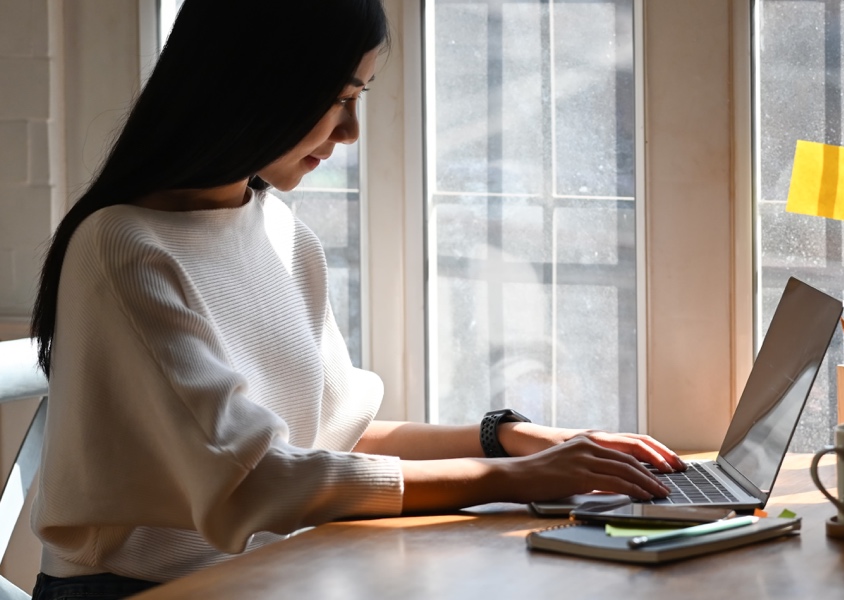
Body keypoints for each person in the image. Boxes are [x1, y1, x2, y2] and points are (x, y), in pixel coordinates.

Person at [27, 1, 682, 598]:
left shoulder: (281, 232)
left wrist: (509, 440)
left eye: (359, 96)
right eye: (338, 98)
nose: (351, 132)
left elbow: (335, 438)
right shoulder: (123, 247)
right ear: (256, 85)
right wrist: (511, 480)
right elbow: (255, 481)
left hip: (266, 577)